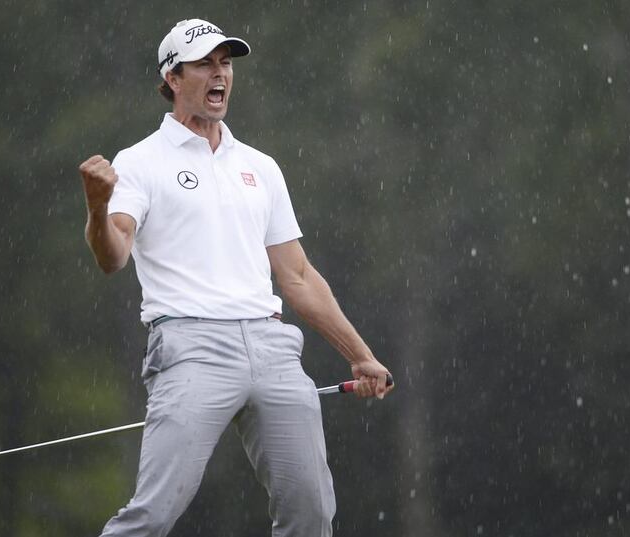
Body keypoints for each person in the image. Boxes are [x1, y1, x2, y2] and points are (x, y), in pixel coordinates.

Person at [78, 18, 393, 537]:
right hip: (188, 346)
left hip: (273, 348)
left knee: (312, 515)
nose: (219, 73)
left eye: (225, 62)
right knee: (153, 515)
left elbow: (296, 277)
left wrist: (359, 353)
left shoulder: (260, 167)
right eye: (204, 63)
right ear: (173, 78)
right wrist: (97, 208)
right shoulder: (139, 162)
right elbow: (113, 256)